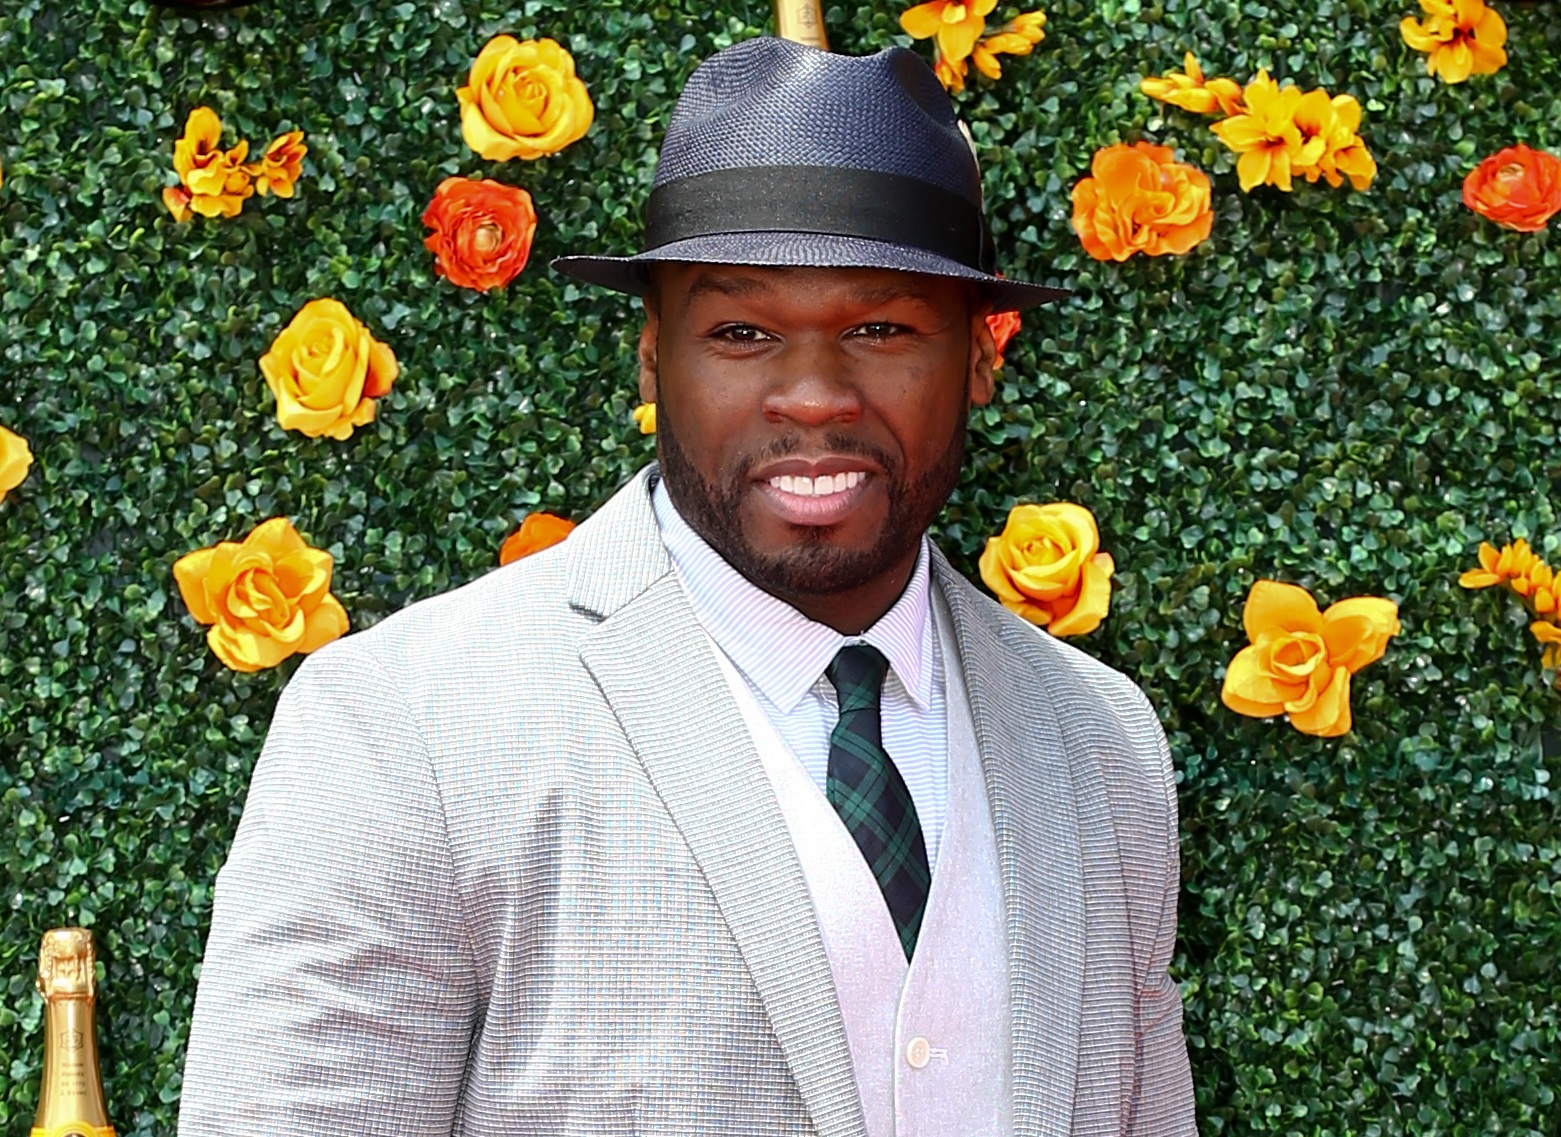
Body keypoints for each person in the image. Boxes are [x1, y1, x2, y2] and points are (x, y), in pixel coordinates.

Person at [177, 35, 1195, 1136]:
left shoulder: (1100, 741)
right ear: (654, 359)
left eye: (882, 326)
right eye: (742, 331)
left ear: (980, 358)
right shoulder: (404, 725)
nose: (813, 396)